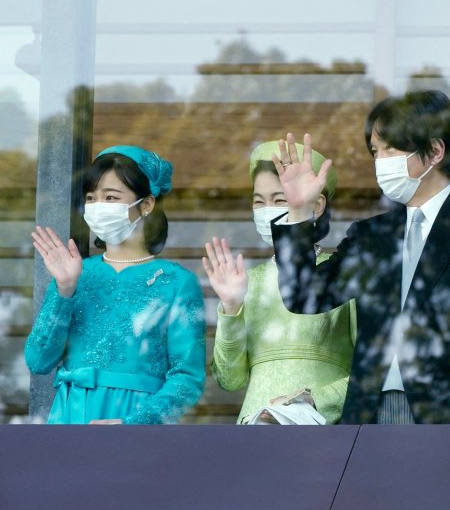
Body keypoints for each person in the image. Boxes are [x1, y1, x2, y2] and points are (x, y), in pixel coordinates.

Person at [270, 90, 450, 424]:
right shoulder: (372, 235)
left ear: (434, 151)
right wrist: (299, 211)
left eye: (391, 148)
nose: (380, 161)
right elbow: (305, 295)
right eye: (375, 151)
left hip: (448, 419)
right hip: (369, 414)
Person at [25, 145, 206, 424]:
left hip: (134, 421)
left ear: (146, 204)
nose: (98, 207)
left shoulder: (177, 282)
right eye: (91, 198)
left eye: (111, 197)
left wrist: (136, 424)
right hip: (70, 416)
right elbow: (38, 361)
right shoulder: (75, 273)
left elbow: (188, 378)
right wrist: (64, 289)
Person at [204, 141, 356, 424]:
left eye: (279, 199)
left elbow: (372, 370)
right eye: (258, 201)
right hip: (254, 425)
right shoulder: (247, 280)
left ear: (317, 203)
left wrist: (313, 401)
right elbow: (229, 380)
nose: (266, 210)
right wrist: (230, 307)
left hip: (322, 426)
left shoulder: (343, 272)